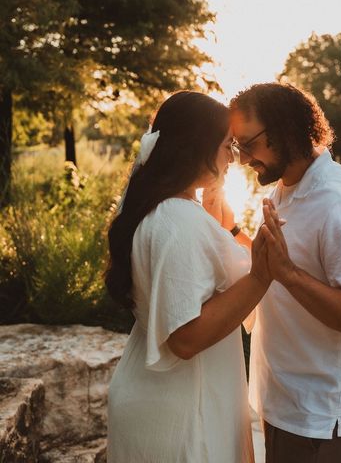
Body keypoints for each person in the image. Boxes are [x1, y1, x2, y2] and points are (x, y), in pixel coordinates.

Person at [106, 91, 270, 463]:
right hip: (183, 412)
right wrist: (260, 277)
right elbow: (184, 336)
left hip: (161, 397)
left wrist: (225, 226)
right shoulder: (177, 221)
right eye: (227, 146)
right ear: (199, 148)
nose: (233, 157)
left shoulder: (162, 210)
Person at [230, 83, 341, 463]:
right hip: (283, 400)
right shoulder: (284, 189)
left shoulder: (340, 204)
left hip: (320, 416)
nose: (244, 158)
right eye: (237, 147)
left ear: (283, 131)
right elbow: (278, 267)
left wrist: (288, 274)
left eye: (248, 144)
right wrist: (233, 232)